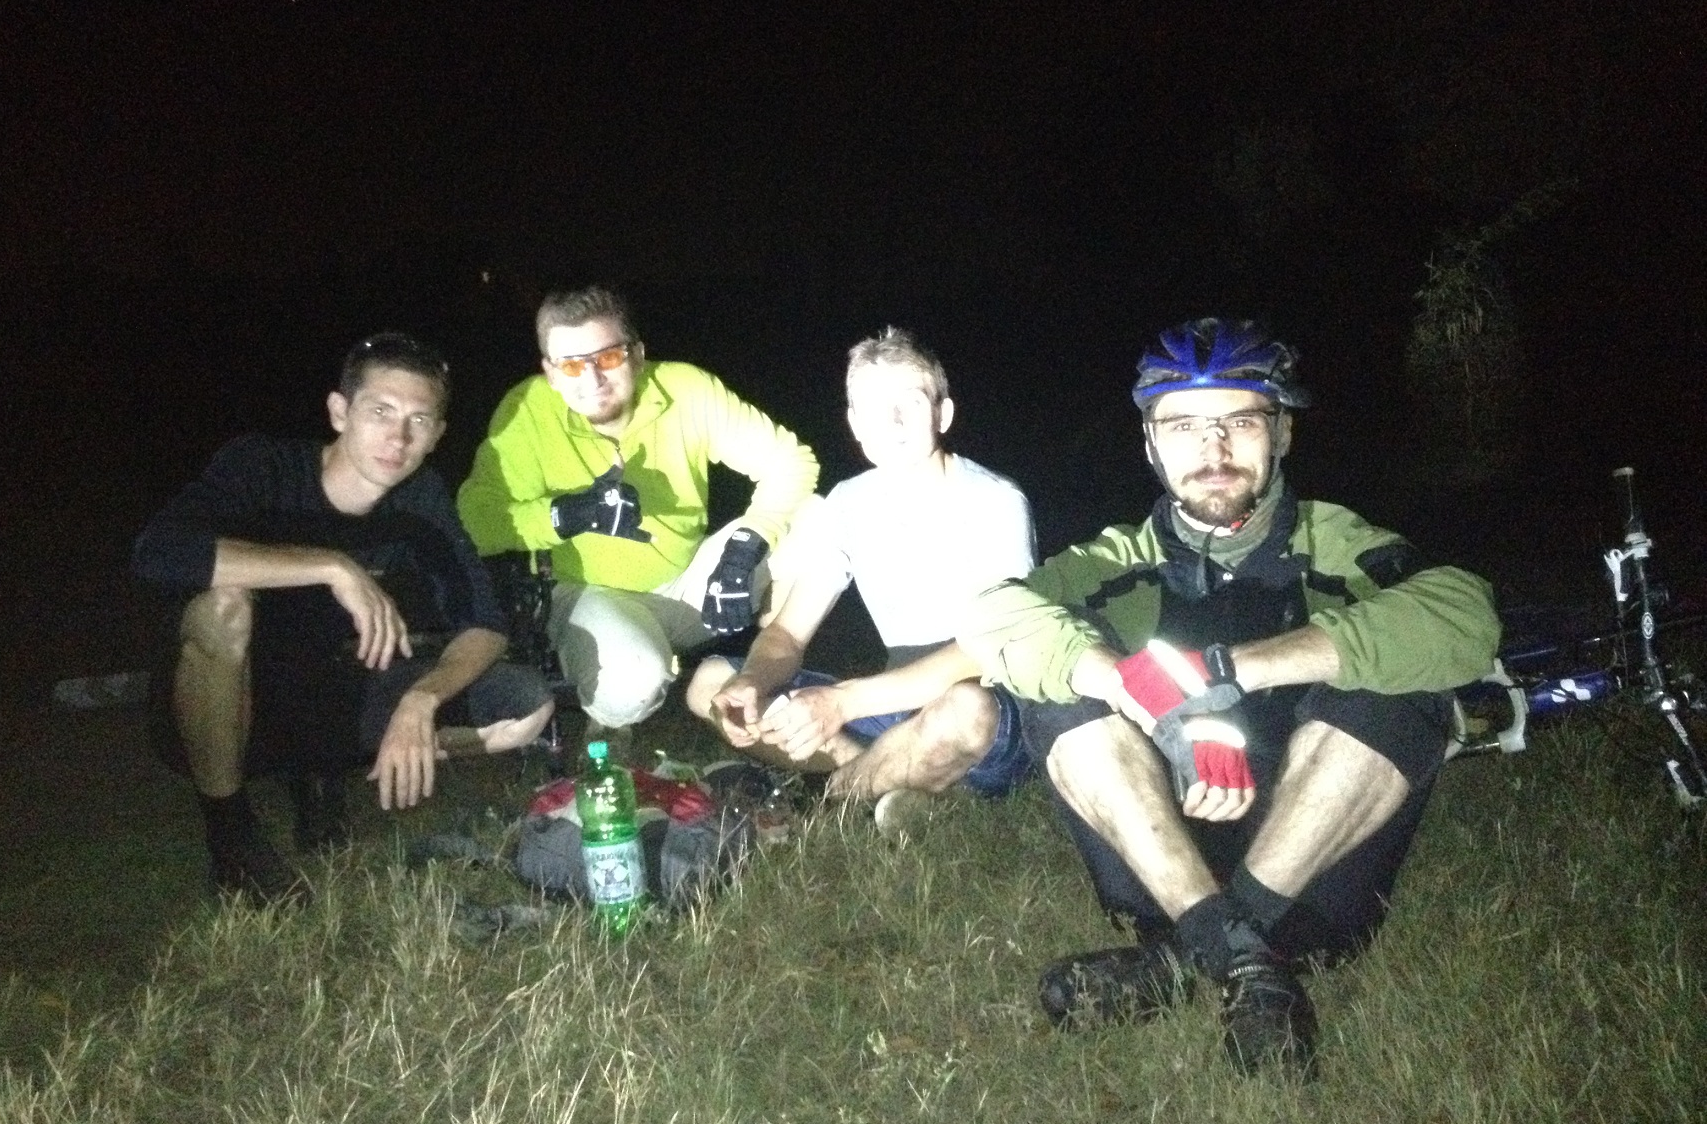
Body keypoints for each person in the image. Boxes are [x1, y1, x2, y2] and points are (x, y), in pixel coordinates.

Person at [953, 318, 1500, 1077]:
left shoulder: (1336, 541)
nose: (1212, 450)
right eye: (1184, 426)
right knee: (1062, 693)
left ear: (1281, 433)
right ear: (1151, 443)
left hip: (1314, 878)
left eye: (1239, 422)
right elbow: (992, 616)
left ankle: (1196, 955)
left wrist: (1231, 669)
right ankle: (1230, 944)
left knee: (1404, 688)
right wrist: (1136, 687)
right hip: (1162, 871)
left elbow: (1465, 614)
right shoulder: (1120, 556)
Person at [133, 333, 555, 905]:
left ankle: (322, 773)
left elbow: (484, 622)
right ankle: (229, 831)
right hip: (226, 702)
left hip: (332, 697)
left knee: (526, 706)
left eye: (417, 420)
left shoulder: (420, 500)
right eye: (380, 411)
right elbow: (158, 553)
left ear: (437, 436)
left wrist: (421, 700)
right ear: (340, 412)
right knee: (222, 608)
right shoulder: (264, 468)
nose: (398, 437)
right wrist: (333, 567)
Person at [684, 327, 1038, 825]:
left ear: (942, 414)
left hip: (990, 704)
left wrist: (841, 702)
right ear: (854, 423)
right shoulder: (847, 503)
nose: (892, 421)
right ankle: (891, 776)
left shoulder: (996, 500)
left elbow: (989, 650)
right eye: (871, 407)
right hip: (892, 706)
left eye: (910, 403)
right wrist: (752, 680)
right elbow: (787, 633)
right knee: (710, 683)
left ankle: (829, 798)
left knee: (966, 709)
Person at [456, 286, 819, 733]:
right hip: (588, 592)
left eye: (608, 357)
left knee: (816, 518)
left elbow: (792, 462)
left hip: (692, 583)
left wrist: (744, 551)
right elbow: (477, 519)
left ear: (638, 355)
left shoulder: (685, 387)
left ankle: (761, 679)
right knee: (632, 681)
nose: (592, 378)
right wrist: (566, 514)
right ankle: (611, 717)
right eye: (572, 365)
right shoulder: (527, 411)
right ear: (550, 373)